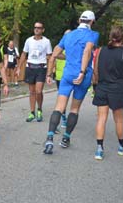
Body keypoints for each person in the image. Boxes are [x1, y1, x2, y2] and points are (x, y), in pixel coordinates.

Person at [43, 10, 99, 155]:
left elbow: (55, 54)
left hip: (67, 75)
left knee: (59, 107)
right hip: (83, 76)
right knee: (74, 109)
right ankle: (66, 138)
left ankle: (49, 138)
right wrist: (81, 72)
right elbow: (87, 51)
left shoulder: (68, 35)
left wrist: (49, 73)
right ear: (92, 22)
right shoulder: (93, 35)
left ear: (80, 20)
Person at [92, 26, 123, 160]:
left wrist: (95, 86)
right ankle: (121, 146)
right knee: (119, 120)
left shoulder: (100, 51)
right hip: (118, 88)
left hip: (102, 87)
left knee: (101, 118)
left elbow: (96, 71)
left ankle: (99, 149)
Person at [16, 22, 52, 122]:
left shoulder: (46, 41)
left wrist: (49, 72)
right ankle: (32, 112)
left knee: (38, 91)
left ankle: (39, 109)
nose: (36, 29)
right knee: (32, 92)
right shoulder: (29, 40)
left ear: (43, 30)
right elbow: (24, 54)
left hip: (41, 68)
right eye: (35, 27)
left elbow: (49, 57)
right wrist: (19, 67)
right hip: (30, 67)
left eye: (39, 28)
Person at [54, 29, 71, 129]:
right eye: (66, 35)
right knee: (62, 99)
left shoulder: (73, 46)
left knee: (66, 98)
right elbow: (54, 56)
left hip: (70, 76)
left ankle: (63, 117)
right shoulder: (60, 46)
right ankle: (63, 118)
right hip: (60, 76)